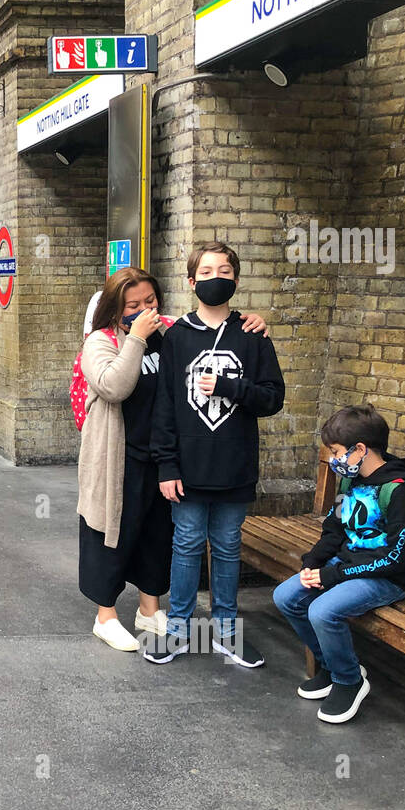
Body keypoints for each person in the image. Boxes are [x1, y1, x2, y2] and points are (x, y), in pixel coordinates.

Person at [146, 243, 285, 668]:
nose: (214, 277)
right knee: (186, 546)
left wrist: (229, 387)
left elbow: (272, 398)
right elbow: (165, 406)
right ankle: (179, 631)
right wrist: (166, 464)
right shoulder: (177, 337)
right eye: (205, 271)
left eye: (224, 270)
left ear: (236, 280)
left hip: (235, 466)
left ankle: (226, 632)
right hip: (187, 468)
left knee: (227, 548)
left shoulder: (254, 334)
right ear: (191, 282)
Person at [273, 405, 405, 724]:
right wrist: (314, 560)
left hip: (389, 576)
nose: (334, 460)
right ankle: (332, 666)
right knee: (286, 597)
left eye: (336, 452)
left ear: (360, 450)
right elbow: (335, 528)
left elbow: (396, 558)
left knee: (322, 611)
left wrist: (333, 574)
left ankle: (349, 680)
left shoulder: (401, 492)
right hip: (347, 564)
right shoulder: (352, 481)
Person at [77, 269, 175, 650]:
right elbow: (114, 387)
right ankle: (106, 615)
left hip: (158, 457)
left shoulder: (166, 337)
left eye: (150, 302)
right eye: (133, 305)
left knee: (156, 534)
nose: (144, 310)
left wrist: (251, 322)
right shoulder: (100, 342)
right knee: (110, 536)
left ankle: (149, 610)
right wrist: (135, 339)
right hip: (116, 458)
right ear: (115, 309)